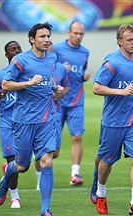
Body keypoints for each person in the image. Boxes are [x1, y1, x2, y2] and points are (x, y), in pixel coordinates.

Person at [0, 22, 63, 216]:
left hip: (46, 119)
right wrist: (28, 83)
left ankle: (45, 211)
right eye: (42, 36)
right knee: (21, 165)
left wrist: (54, 89)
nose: (46, 39)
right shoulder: (20, 60)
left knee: (47, 161)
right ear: (32, 39)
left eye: (48, 36)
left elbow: (47, 81)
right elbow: (6, 84)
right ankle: (6, 178)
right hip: (24, 120)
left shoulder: (52, 57)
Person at [91, 24, 133, 216]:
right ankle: (100, 192)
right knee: (107, 161)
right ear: (120, 41)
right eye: (130, 40)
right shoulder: (112, 63)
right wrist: (121, 92)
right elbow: (97, 88)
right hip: (113, 120)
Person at [53, 20, 90, 186]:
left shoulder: (85, 52)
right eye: (75, 33)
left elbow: (79, 73)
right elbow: (49, 69)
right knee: (54, 150)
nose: (78, 36)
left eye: (81, 34)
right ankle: (35, 158)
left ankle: (75, 174)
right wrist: (60, 68)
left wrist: (83, 77)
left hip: (76, 101)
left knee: (77, 137)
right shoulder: (57, 49)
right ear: (68, 32)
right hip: (58, 101)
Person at [0, 40, 23, 208]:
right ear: (7, 55)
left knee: (22, 165)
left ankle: (6, 175)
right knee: (12, 158)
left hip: (25, 122)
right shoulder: (0, 76)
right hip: (6, 122)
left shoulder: (29, 75)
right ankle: (14, 197)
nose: (16, 51)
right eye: (12, 50)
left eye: (18, 49)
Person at [34, 41, 70, 191]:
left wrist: (60, 93)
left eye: (50, 49)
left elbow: (66, 86)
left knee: (54, 152)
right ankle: (40, 181)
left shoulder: (60, 68)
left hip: (55, 112)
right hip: (38, 113)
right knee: (43, 151)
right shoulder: (33, 67)